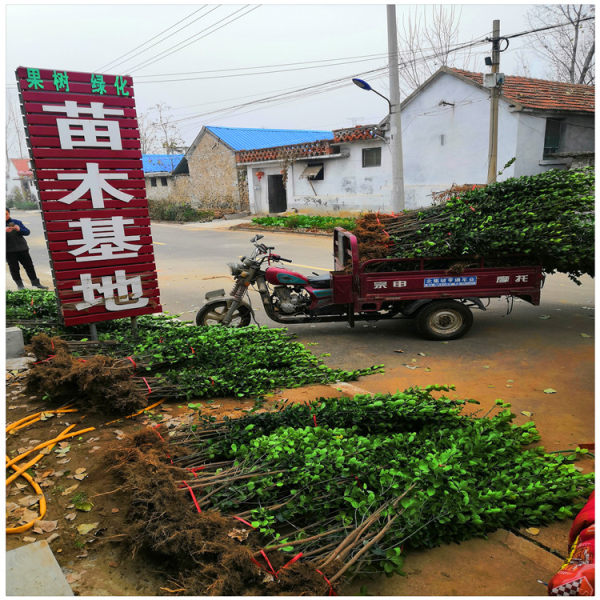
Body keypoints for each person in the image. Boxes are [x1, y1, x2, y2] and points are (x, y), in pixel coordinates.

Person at [6, 208, 47, 289]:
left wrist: (19, 229)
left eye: (6, 214)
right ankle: (20, 286)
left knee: (29, 266)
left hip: (22, 249)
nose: (5, 216)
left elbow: (27, 232)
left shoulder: (16, 222)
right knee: (14, 269)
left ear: (9, 214)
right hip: (8, 251)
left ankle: (36, 284)